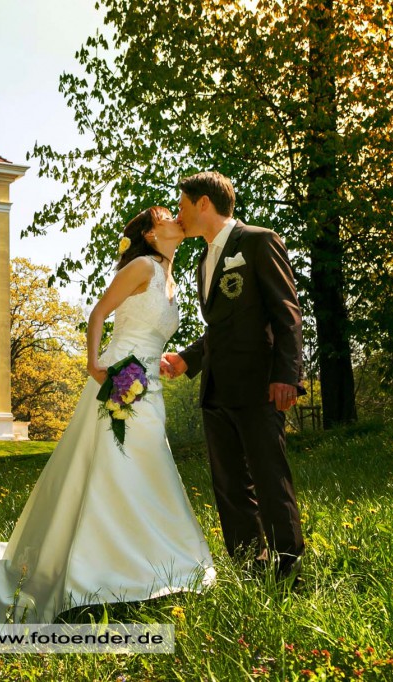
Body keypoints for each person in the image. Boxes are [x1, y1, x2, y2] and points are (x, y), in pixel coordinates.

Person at [0, 207, 216, 625]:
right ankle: (101, 570)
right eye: (168, 216)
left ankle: (149, 561)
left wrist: (166, 360)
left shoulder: (171, 280)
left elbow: (148, 329)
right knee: (120, 462)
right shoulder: (142, 266)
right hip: (121, 375)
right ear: (152, 234)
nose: (176, 218)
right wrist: (94, 364)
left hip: (148, 379)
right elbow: (98, 313)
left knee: (147, 462)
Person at [160, 171, 306, 583]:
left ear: (203, 202)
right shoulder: (204, 260)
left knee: (268, 477)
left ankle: (289, 571)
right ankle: (250, 569)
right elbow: (222, 327)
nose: (179, 214)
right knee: (229, 486)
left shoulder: (258, 241)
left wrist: (287, 375)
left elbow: (287, 312)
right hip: (217, 390)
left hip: (259, 384)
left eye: (183, 205)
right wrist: (188, 360)